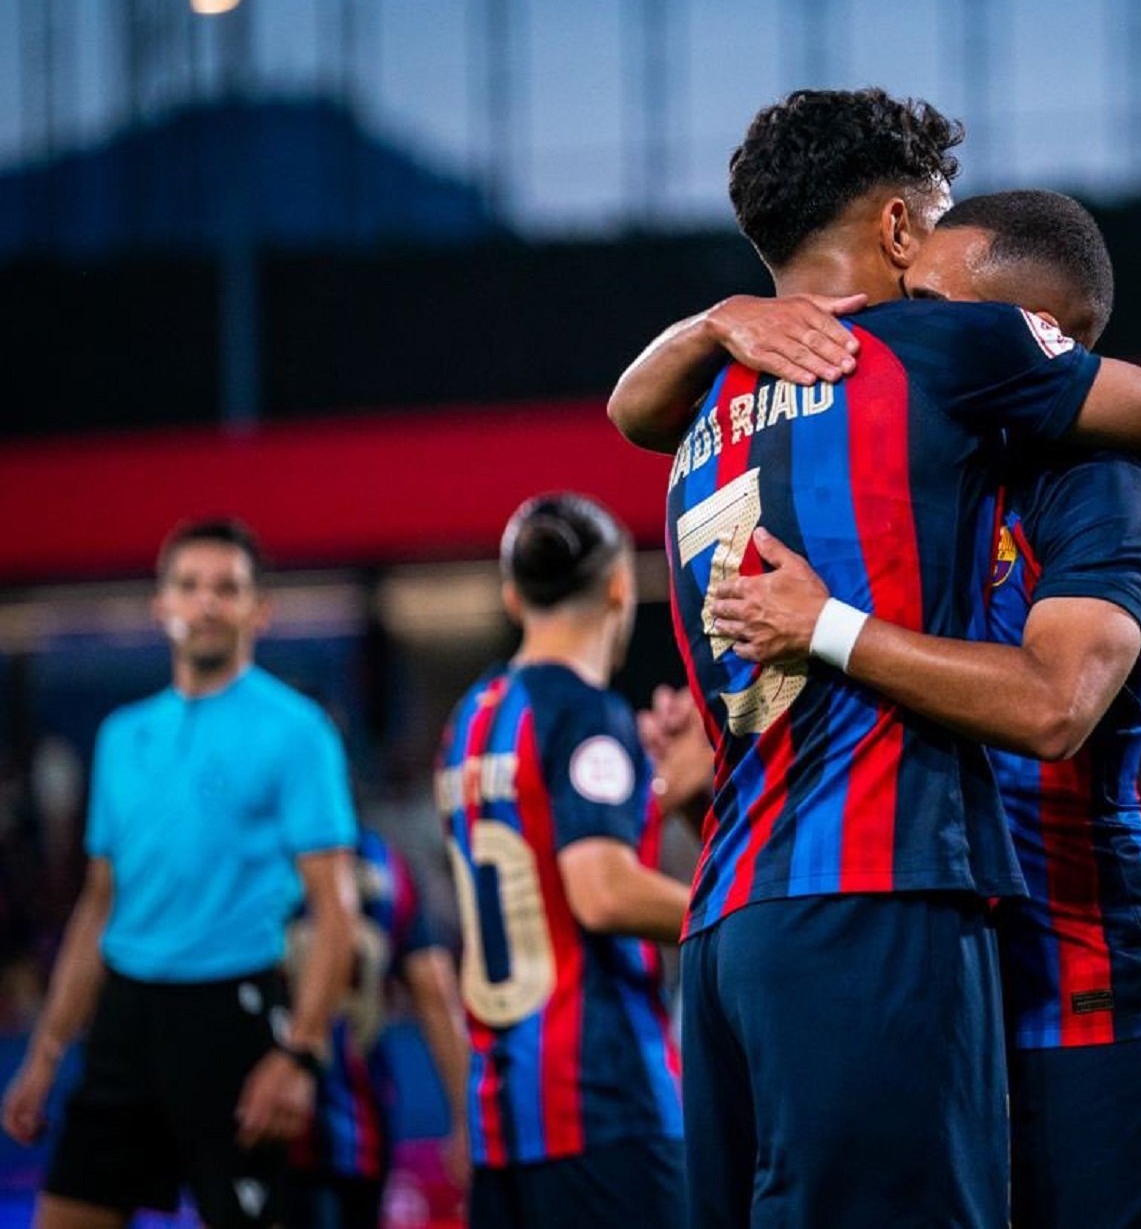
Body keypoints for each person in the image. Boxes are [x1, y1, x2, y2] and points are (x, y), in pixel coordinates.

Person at [608, 88, 1141, 1229]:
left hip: (1079, 993)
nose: (905, 300)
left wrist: (1131, 698)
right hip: (892, 931)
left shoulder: (1085, 477)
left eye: (932, 290)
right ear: (899, 224)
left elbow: (1059, 703)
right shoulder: (903, 401)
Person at [1, 518, 360, 1229]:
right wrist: (44, 1055)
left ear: (259, 611)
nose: (205, 603)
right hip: (125, 1022)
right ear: (160, 606)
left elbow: (336, 907)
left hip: (235, 1017)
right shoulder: (121, 736)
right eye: (189, 587)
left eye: (226, 588)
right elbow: (99, 907)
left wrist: (300, 1055)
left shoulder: (297, 731)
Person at [436, 493, 690, 1229]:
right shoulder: (586, 712)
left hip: (501, 1117)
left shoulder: (473, 717)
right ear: (619, 586)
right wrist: (733, 909)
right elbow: (602, 893)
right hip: (600, 1104)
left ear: (514, 596)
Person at [284, 829, 470, 1229]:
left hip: (270, 1122)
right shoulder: (385, 863)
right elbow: (434, 989)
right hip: (366, 1123)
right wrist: (465, 1118)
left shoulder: (248, 858)